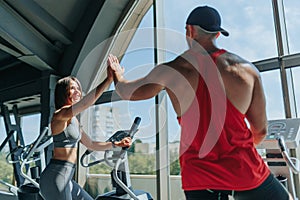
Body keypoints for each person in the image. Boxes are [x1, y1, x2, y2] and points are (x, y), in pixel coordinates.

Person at [107, 5, 292, 200]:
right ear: (217, 35)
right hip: (244, 172)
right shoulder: (247, 71)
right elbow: (260, 131)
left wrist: (117, 74)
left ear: (189, 30)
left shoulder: (171, 71)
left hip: (198, 177)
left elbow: (127, 91)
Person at [39, 72, 132, 200]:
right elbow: (85, 104)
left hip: (66, 177)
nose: (77, 91)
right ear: (63, 92)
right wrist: (108, 79)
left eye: (78, 88)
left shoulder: (74, 121)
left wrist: (117, 144)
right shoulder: (59, 115)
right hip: (56, 176)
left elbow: (91, 144)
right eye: (72, 88)